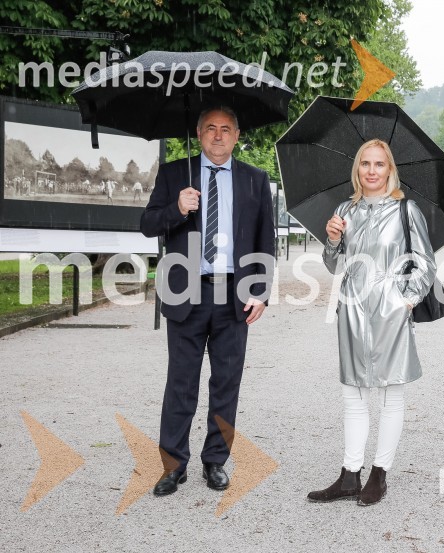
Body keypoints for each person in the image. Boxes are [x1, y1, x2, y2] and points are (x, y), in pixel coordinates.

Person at [140, 106, 275, 496]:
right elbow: (148, 225)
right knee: (180, 382)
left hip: (235, 294)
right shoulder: (173, 175)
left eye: (226, 129)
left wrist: (261, 291)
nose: (218, 135)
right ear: (198, 134)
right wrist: (176, 209)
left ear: (236, 135)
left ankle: (214, 460)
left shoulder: (255, 179)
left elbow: (266, 240)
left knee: (226, 382)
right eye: (210, 128)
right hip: (186, 292)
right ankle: (173, 465)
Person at [309, 138, 436, 506]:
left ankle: (379, 474)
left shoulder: (405, 211)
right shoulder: (345, 210)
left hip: (391, 309)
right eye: (365, 164)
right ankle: (350, 474)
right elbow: (335, 265)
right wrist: (332, 240)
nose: (372, 171)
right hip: (351, 309)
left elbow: (425, 263)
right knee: (353, 393)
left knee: (391, 392)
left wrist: (406, 300)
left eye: (379, 164)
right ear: (358, 169)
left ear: (389, 169)